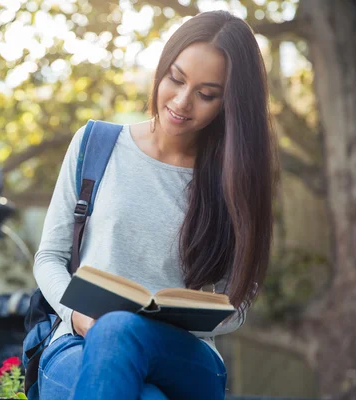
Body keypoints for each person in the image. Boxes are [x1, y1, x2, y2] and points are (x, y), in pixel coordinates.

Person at [32, 10, 278, 400]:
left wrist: (171, 322)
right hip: (78, 341)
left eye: (206, 94)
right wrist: (78, 316)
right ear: (161, 69)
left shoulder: (234, 180)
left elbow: (240, 299)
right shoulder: (96, 145)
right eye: (175, 79)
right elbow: (50, 257)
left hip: (182, 356)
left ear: (229, 103)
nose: (181, 102)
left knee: (120, 329)